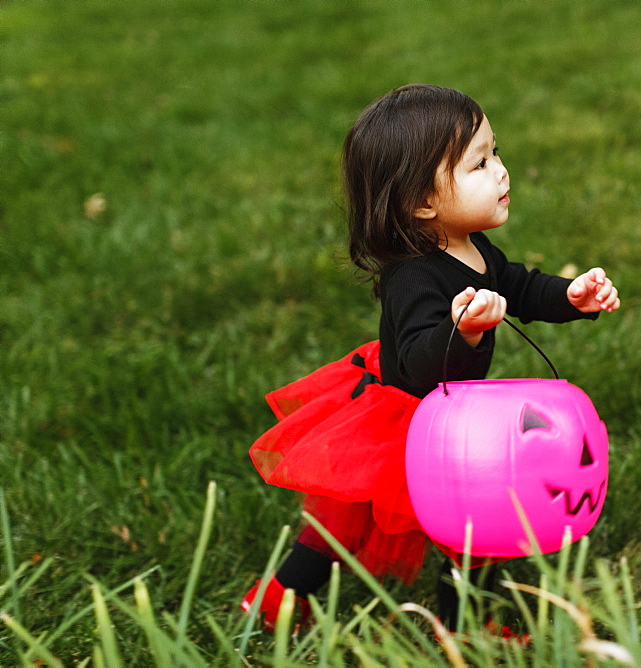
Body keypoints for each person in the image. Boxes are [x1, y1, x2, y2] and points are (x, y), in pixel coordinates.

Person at [241, 84, 621, 633]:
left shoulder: (471, 245)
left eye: (496, 153)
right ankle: (279, 598)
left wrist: (569, 297)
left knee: (472, 529)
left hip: (449, 415)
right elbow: (422, 358)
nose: (502, 172)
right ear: (423, 201)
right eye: (480, 164)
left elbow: (517, 285)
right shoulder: (412, 276)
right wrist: (460, 332)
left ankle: (466, 621)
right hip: (402, 420)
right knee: (339, 529)